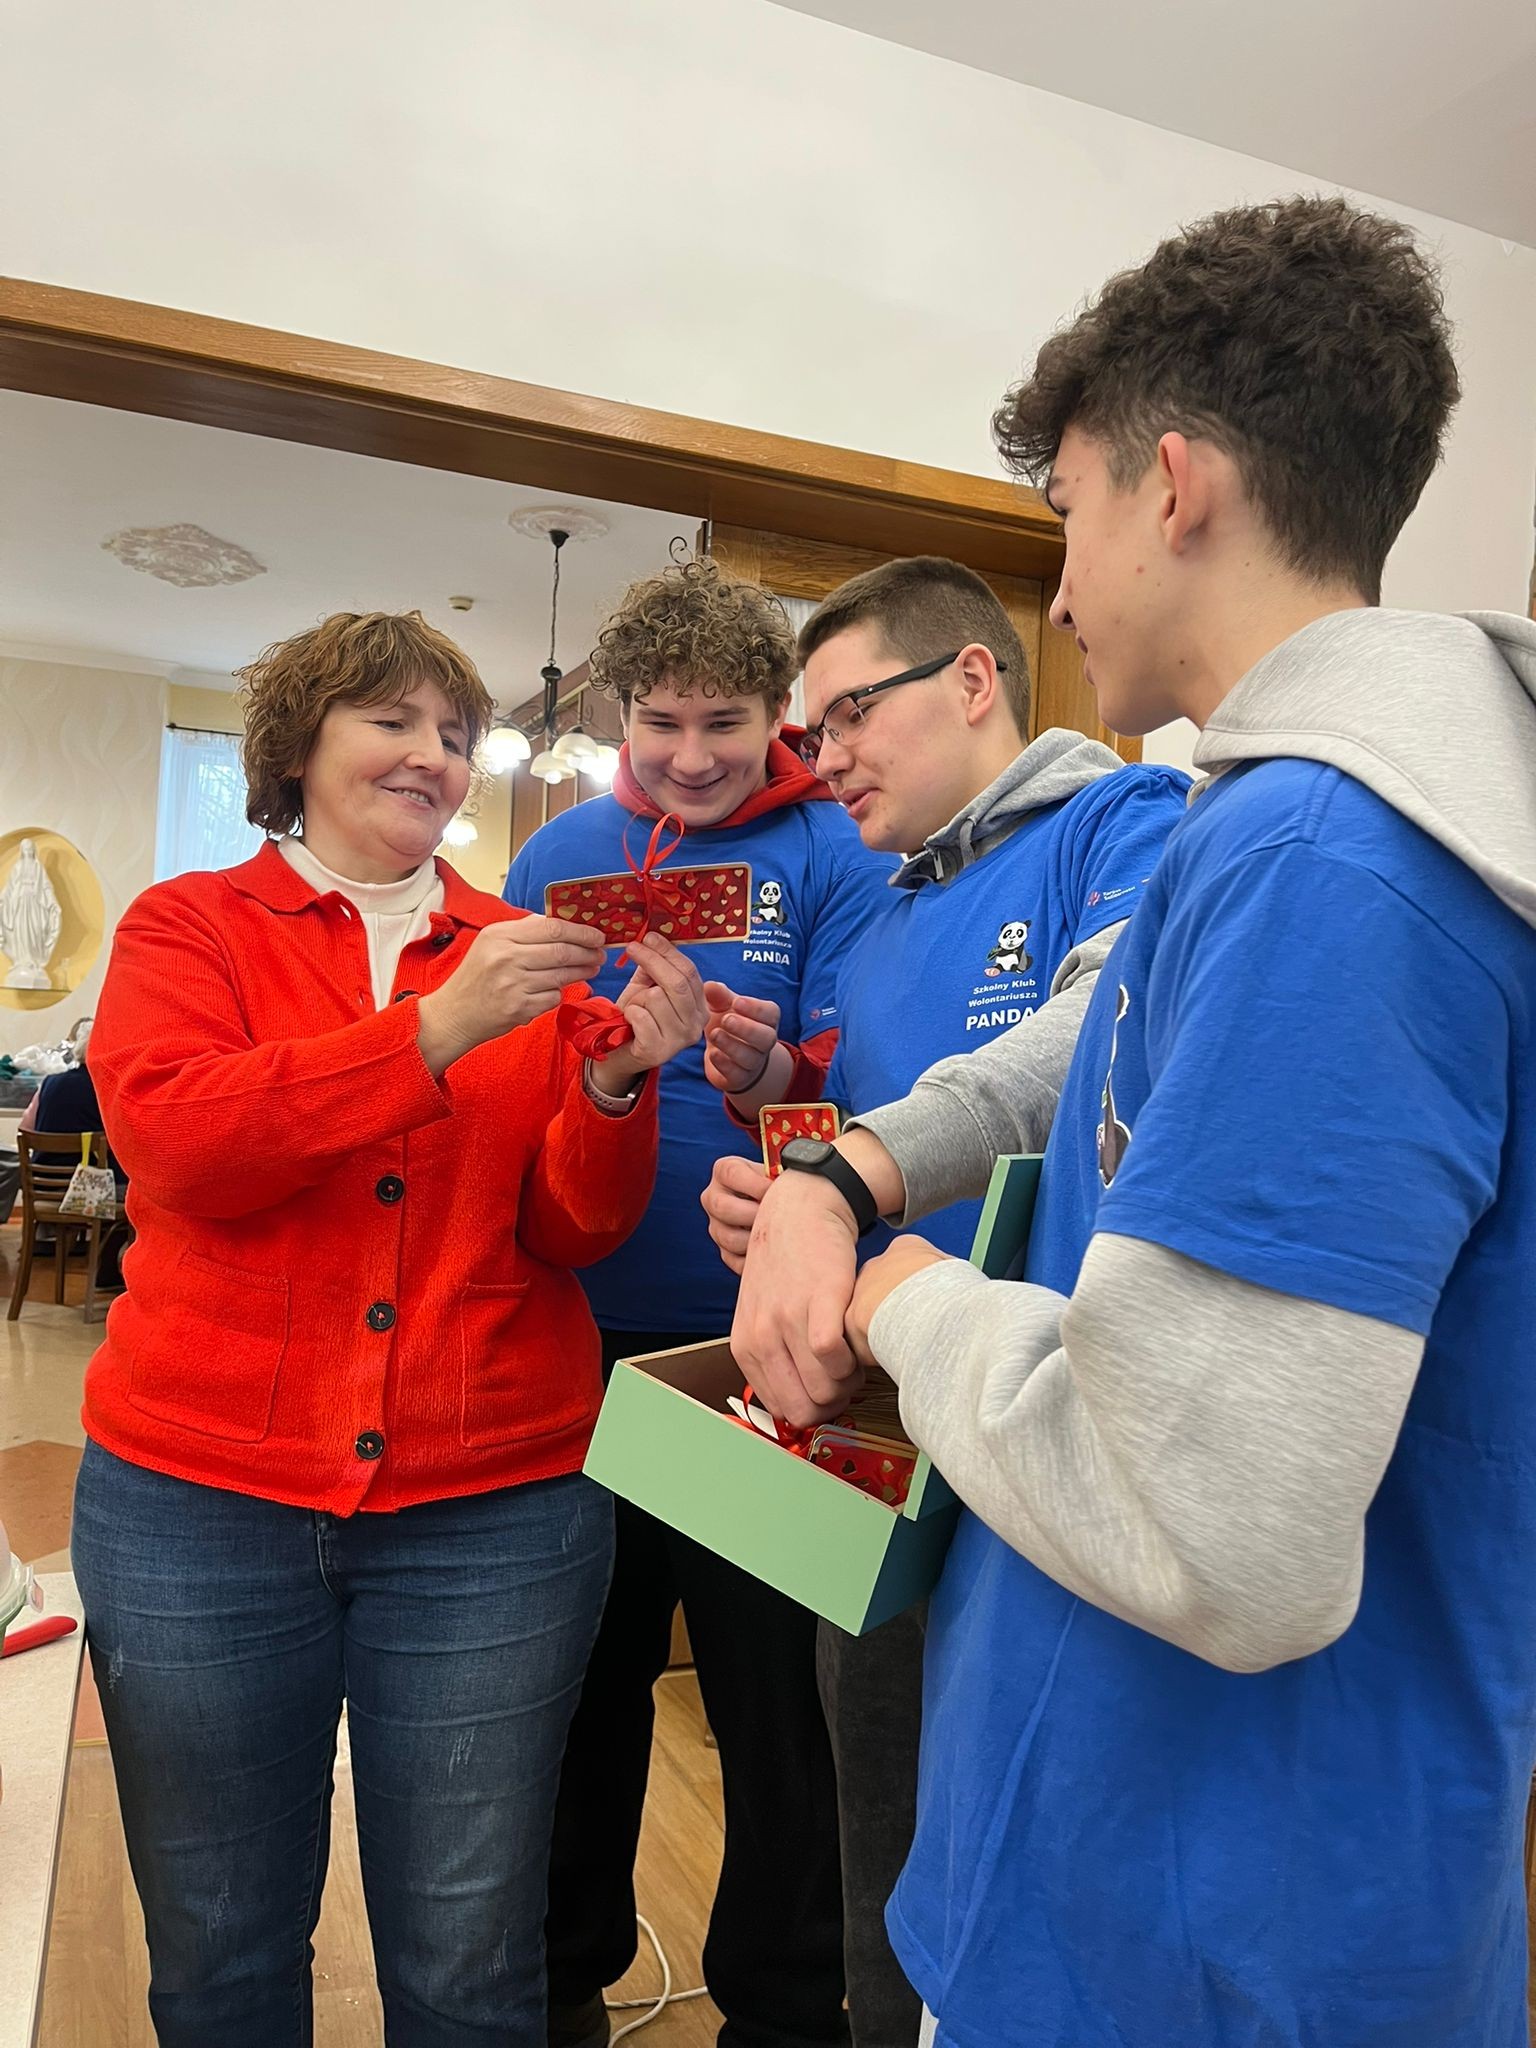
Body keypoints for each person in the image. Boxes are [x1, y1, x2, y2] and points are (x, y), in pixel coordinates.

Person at [730, 195, 1536, 2046]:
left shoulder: (1331, 861)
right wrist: (847, 1173)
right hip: (1167, 1862)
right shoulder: (1289, 820)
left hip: (1202, 1927)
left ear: (1174, 487)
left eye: (1067, 517)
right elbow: (1078, 1042)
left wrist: (901, 1297)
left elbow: (1211, 1527)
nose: (1064, 592)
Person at [72, 610, 706, 2048]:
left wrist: (617, 1089)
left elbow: (570, 1230)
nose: (435, 756)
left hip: (498, 1510)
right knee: (219, 1946)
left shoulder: (520, 950)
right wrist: (429, 1033)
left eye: (456, 736)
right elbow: (178, 1145)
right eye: (394, 721)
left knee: (472, 1960)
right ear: (298, 745)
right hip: (195, 1504)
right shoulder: (189, 926)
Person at [699, 555, 1188, 2048]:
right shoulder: (879, 921)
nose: (824, 755)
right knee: (884, 1855)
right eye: (812, 729)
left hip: (1049, 1449)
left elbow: (1103, 1032)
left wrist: (839, 1180)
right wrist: (784, 1170)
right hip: (887, 1448)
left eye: (851, 713)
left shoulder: (1126, 819)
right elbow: (864, 1145)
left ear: (974, 679)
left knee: (1030, 1876)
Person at [504, 556, 894, 2048]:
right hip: (572, 1340)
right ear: (619, 714)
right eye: (659, 722)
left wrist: (766, 1076)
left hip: (765, 1350)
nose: (688, 755)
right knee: (579, 1690)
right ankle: (559, 1989)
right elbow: (508, 1091)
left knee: (774, 1711)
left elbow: (878, 1103)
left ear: (775, 712)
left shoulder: (837, 850)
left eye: (723, 722)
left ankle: (785, 2015)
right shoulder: (557, 856)